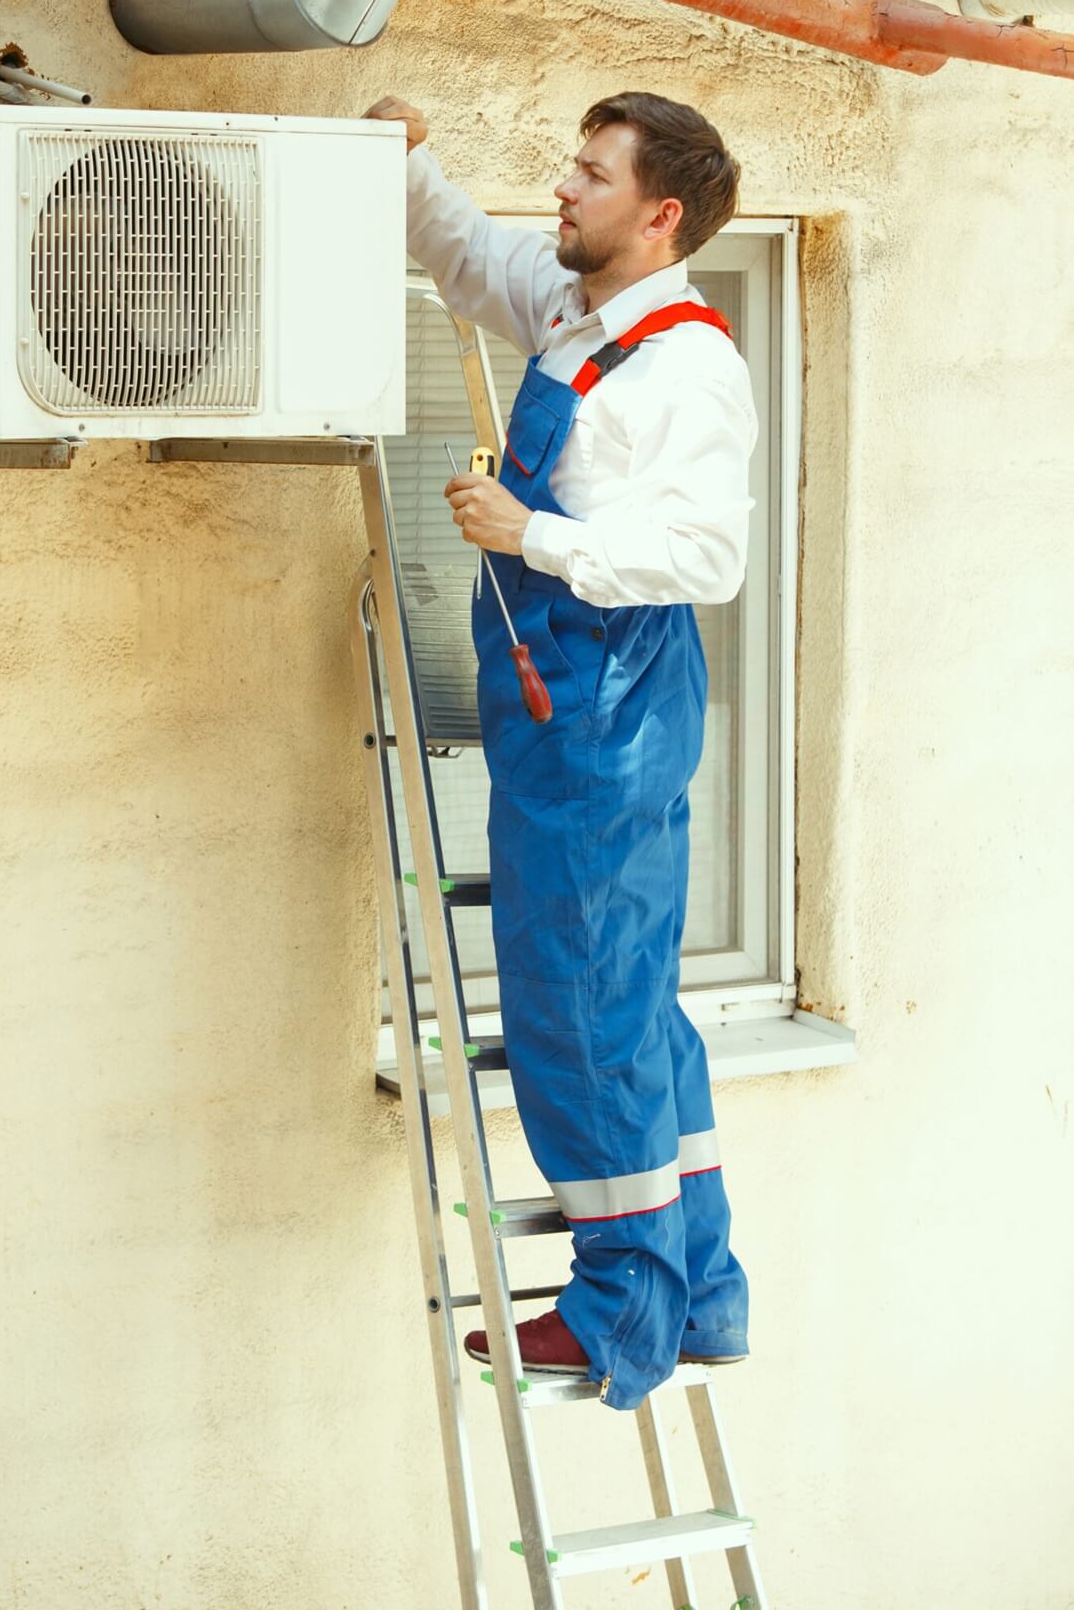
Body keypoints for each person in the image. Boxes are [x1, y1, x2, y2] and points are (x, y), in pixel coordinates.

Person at [364, 90, 755, 1410]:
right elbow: (472, 257)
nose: (561, 189)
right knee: (631, 995)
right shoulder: (578, 310)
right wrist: (407, 161)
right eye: (567, 165)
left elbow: (705, 555)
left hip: (609, 706)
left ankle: (612, 1313)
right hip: (563, 706)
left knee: (578, 1000)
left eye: (589, 176)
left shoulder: (686, 366)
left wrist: (528, 536)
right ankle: (694, 1293)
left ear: (659, 215)